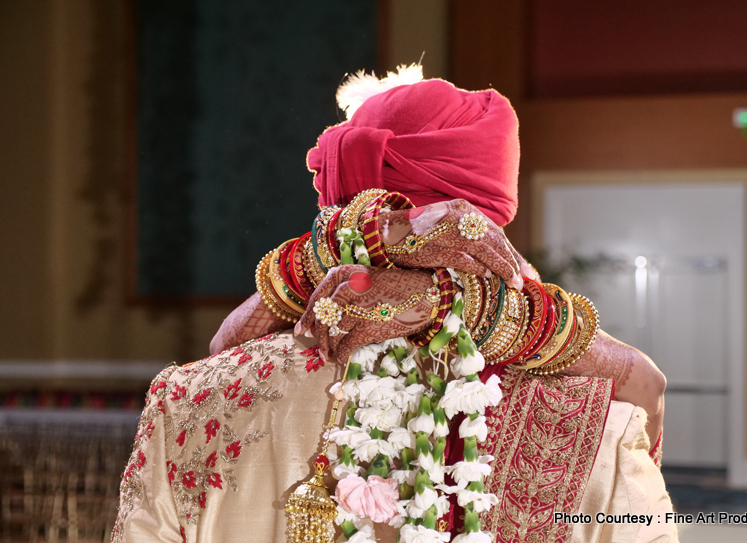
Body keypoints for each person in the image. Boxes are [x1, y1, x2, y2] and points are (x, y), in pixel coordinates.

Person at [112, 67, 675, 543]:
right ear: (492, 213)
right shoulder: (605, 423)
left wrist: (334, 254)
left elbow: (227, 343)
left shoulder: (188, 400)